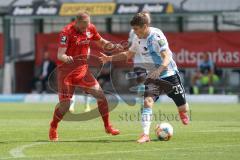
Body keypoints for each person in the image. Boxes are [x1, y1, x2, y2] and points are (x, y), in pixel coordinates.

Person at [100, 12, 190, 143]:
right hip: (153, 77)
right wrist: (109, 58)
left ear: (145, 26)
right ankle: (145, 134)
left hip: (169, 74)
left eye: (136, 29)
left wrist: (159, 70)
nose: (134, 32)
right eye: (133, 29)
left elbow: (167, 57)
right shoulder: (137, 39)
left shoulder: (157, 36)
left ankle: (182, 112)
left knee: (183, 107)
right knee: (147, 102)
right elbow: (129, 54)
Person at [49, 11, 121, 141]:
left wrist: (113, 46)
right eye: (83, 27)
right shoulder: (66, 33)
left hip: (82, 71)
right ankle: (53, 126)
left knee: (101, 95)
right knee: (65, 106)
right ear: (76, 22)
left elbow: (101, 41)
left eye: (87, 26)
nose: (85, 29)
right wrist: (66, 57)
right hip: (66, 73)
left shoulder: (90, 28)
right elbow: (60, 55)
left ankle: (108, 126)